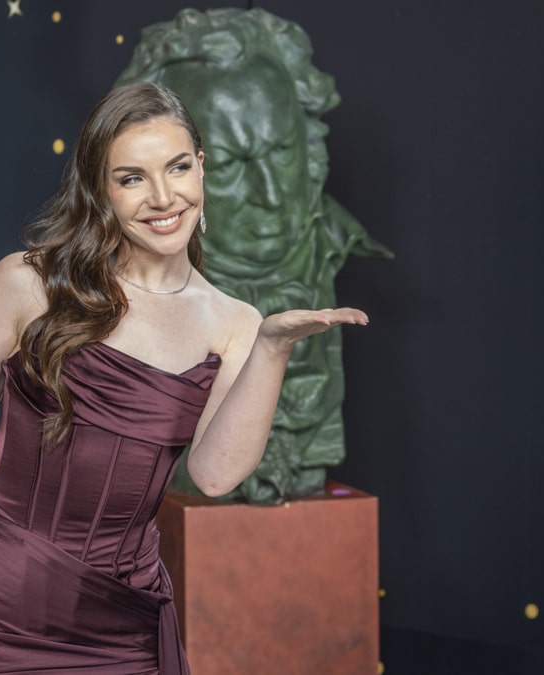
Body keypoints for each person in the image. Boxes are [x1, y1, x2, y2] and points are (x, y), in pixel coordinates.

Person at [0, 82, 368, 674]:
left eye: (178, 167)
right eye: (132, 177)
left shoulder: (235, 322)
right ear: (99, 190)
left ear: (202, 169)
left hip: (120, 623)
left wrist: (271, 349)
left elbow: (214, 476)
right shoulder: (25, 285)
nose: (163, 197)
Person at [116, 9, 392, 503]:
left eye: (281, 151)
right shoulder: (123, 294)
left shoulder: (332, 244)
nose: (268, 194)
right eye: (231, 166)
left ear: (310, 147)